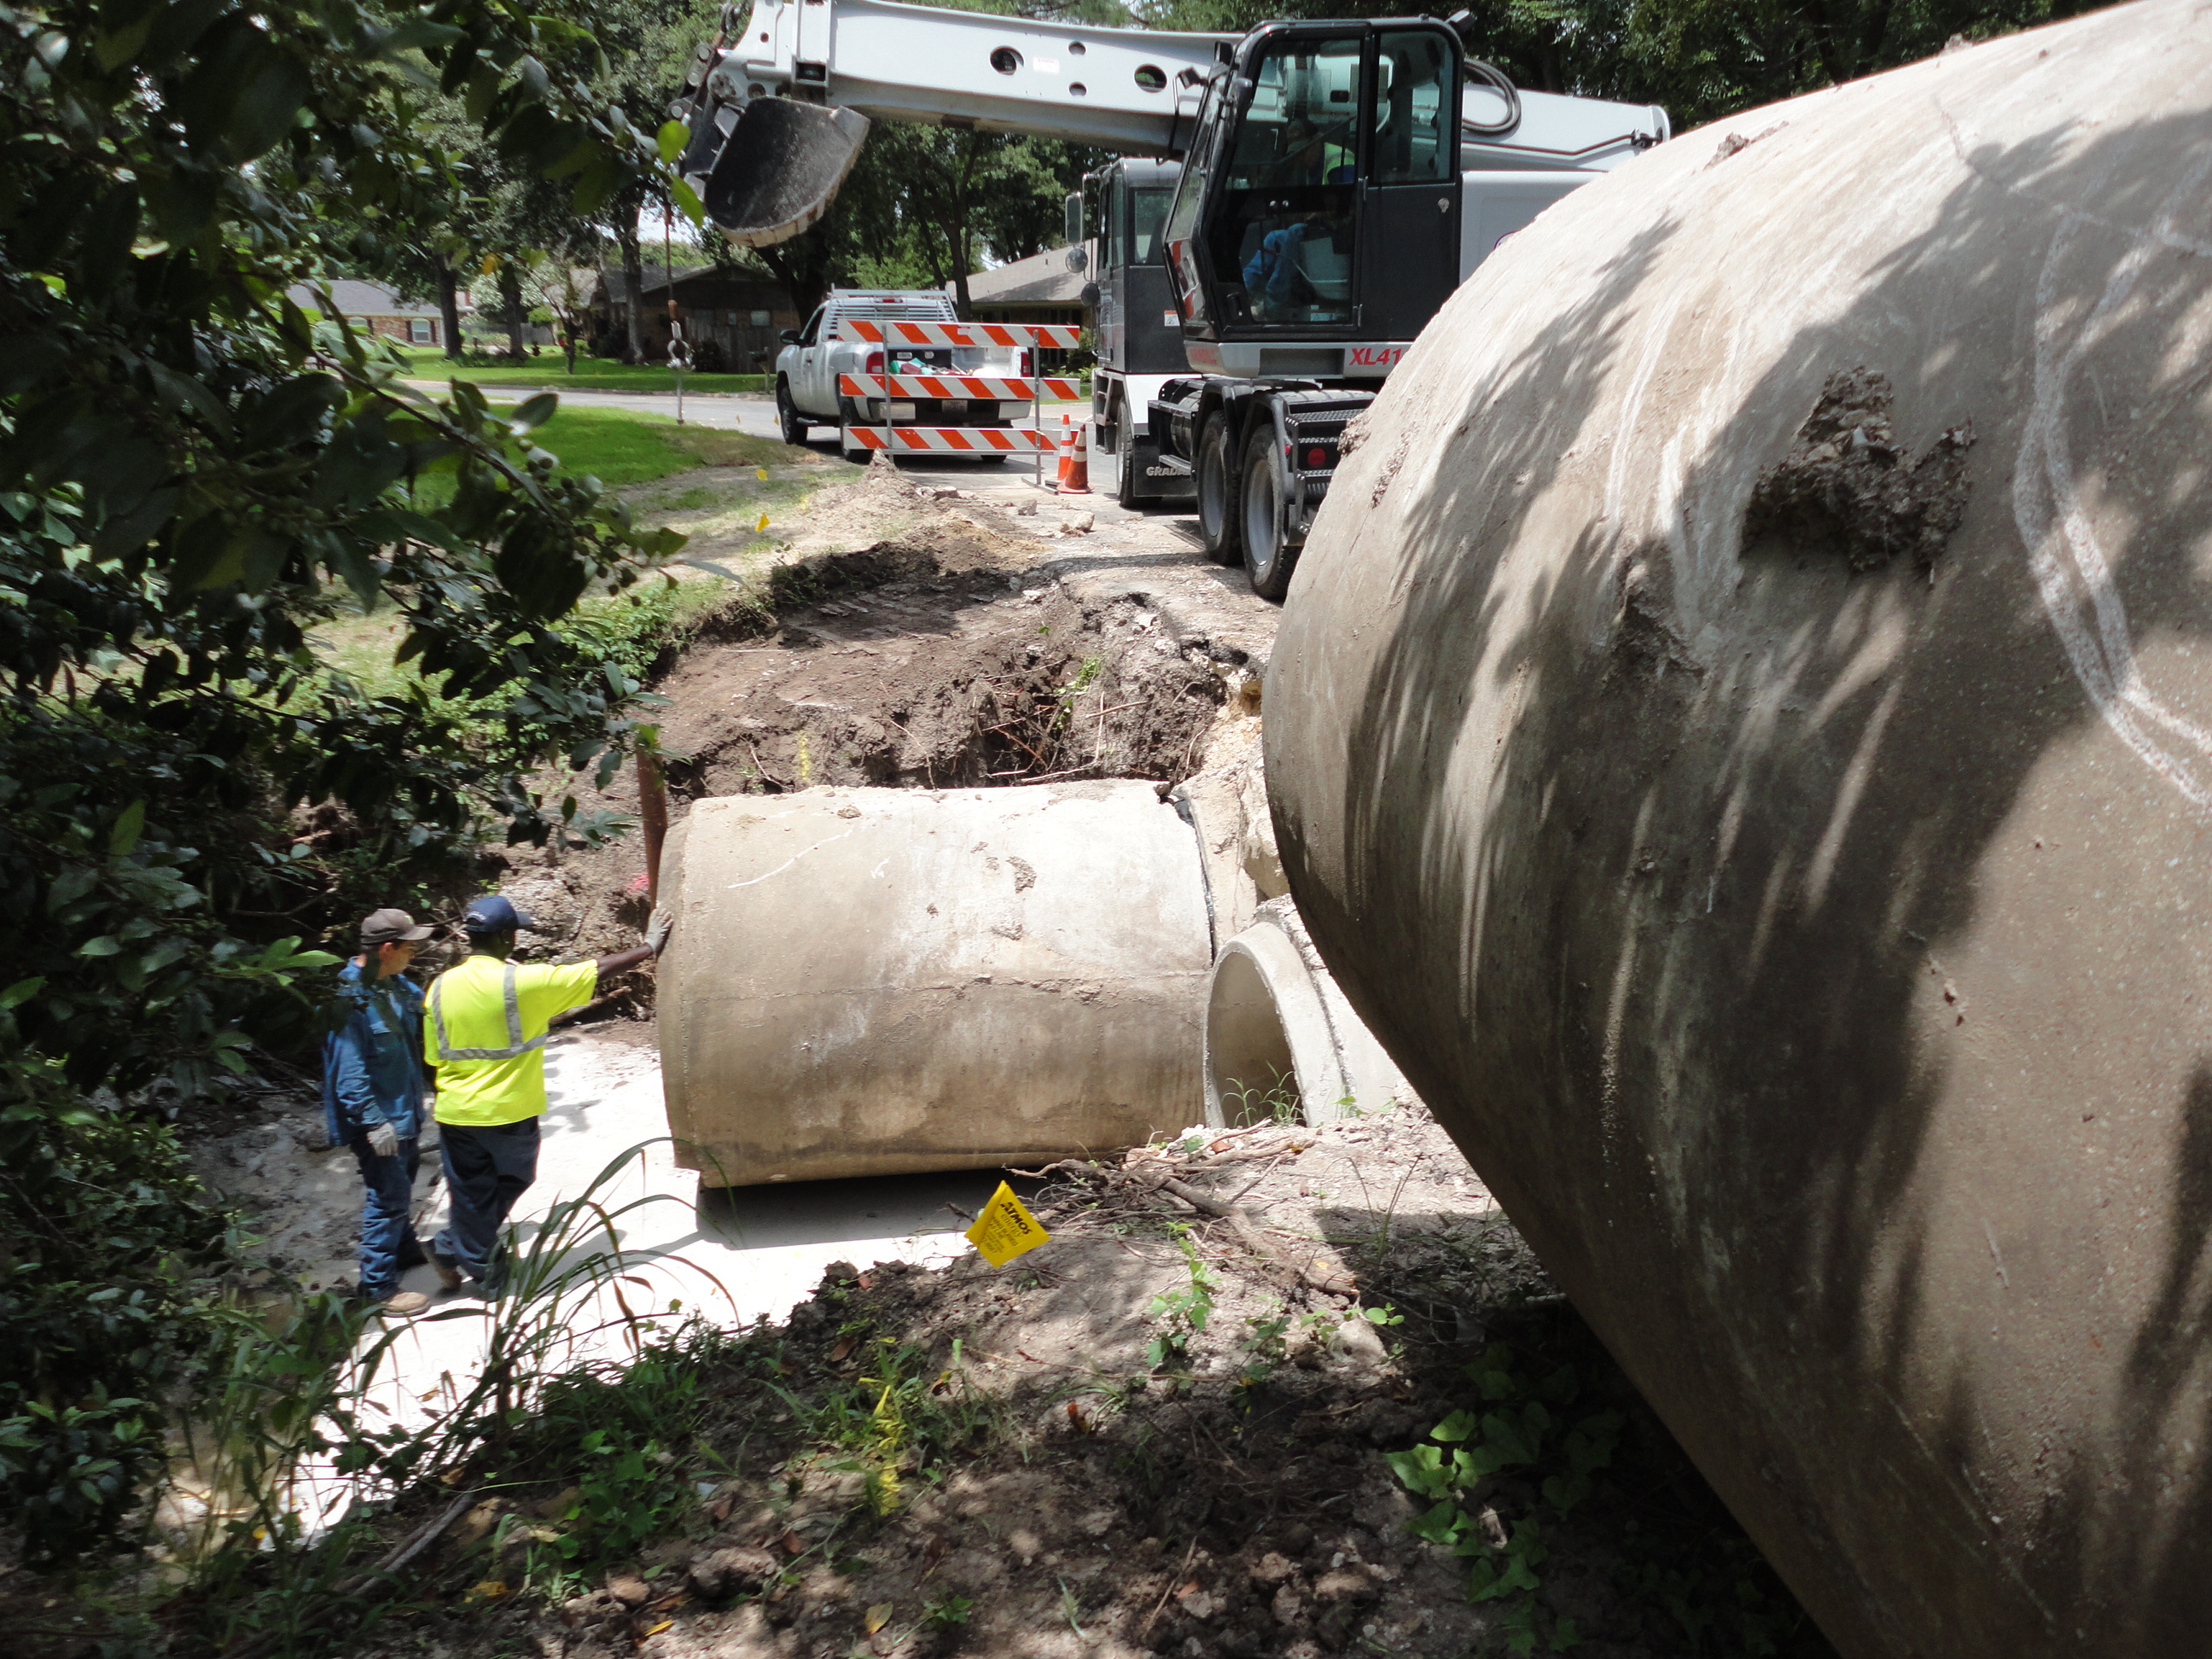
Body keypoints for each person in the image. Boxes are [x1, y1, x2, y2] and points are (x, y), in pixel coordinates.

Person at [424, 894, 674, 1294]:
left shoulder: (439, 988)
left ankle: (450, 1246)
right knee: (512, 1178)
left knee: (472, 1191)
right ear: (507, 937)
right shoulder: (523, 982)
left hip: (454, 1112)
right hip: (507, 1112)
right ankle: (484, 1272)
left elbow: (434, 1056)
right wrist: (649, 946)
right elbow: (596, 972)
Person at [323, 907, 437, 1316]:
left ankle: (404, 1251)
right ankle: (378, 1287)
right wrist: (373, 1122)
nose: (414, 954)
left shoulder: (396, 986)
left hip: (404, 1114)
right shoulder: (349, 998)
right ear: (387, 949)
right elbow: (348, 1073)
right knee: (387, 1198)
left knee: (402, 1187)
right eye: (409, 947)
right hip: (379, 1121)